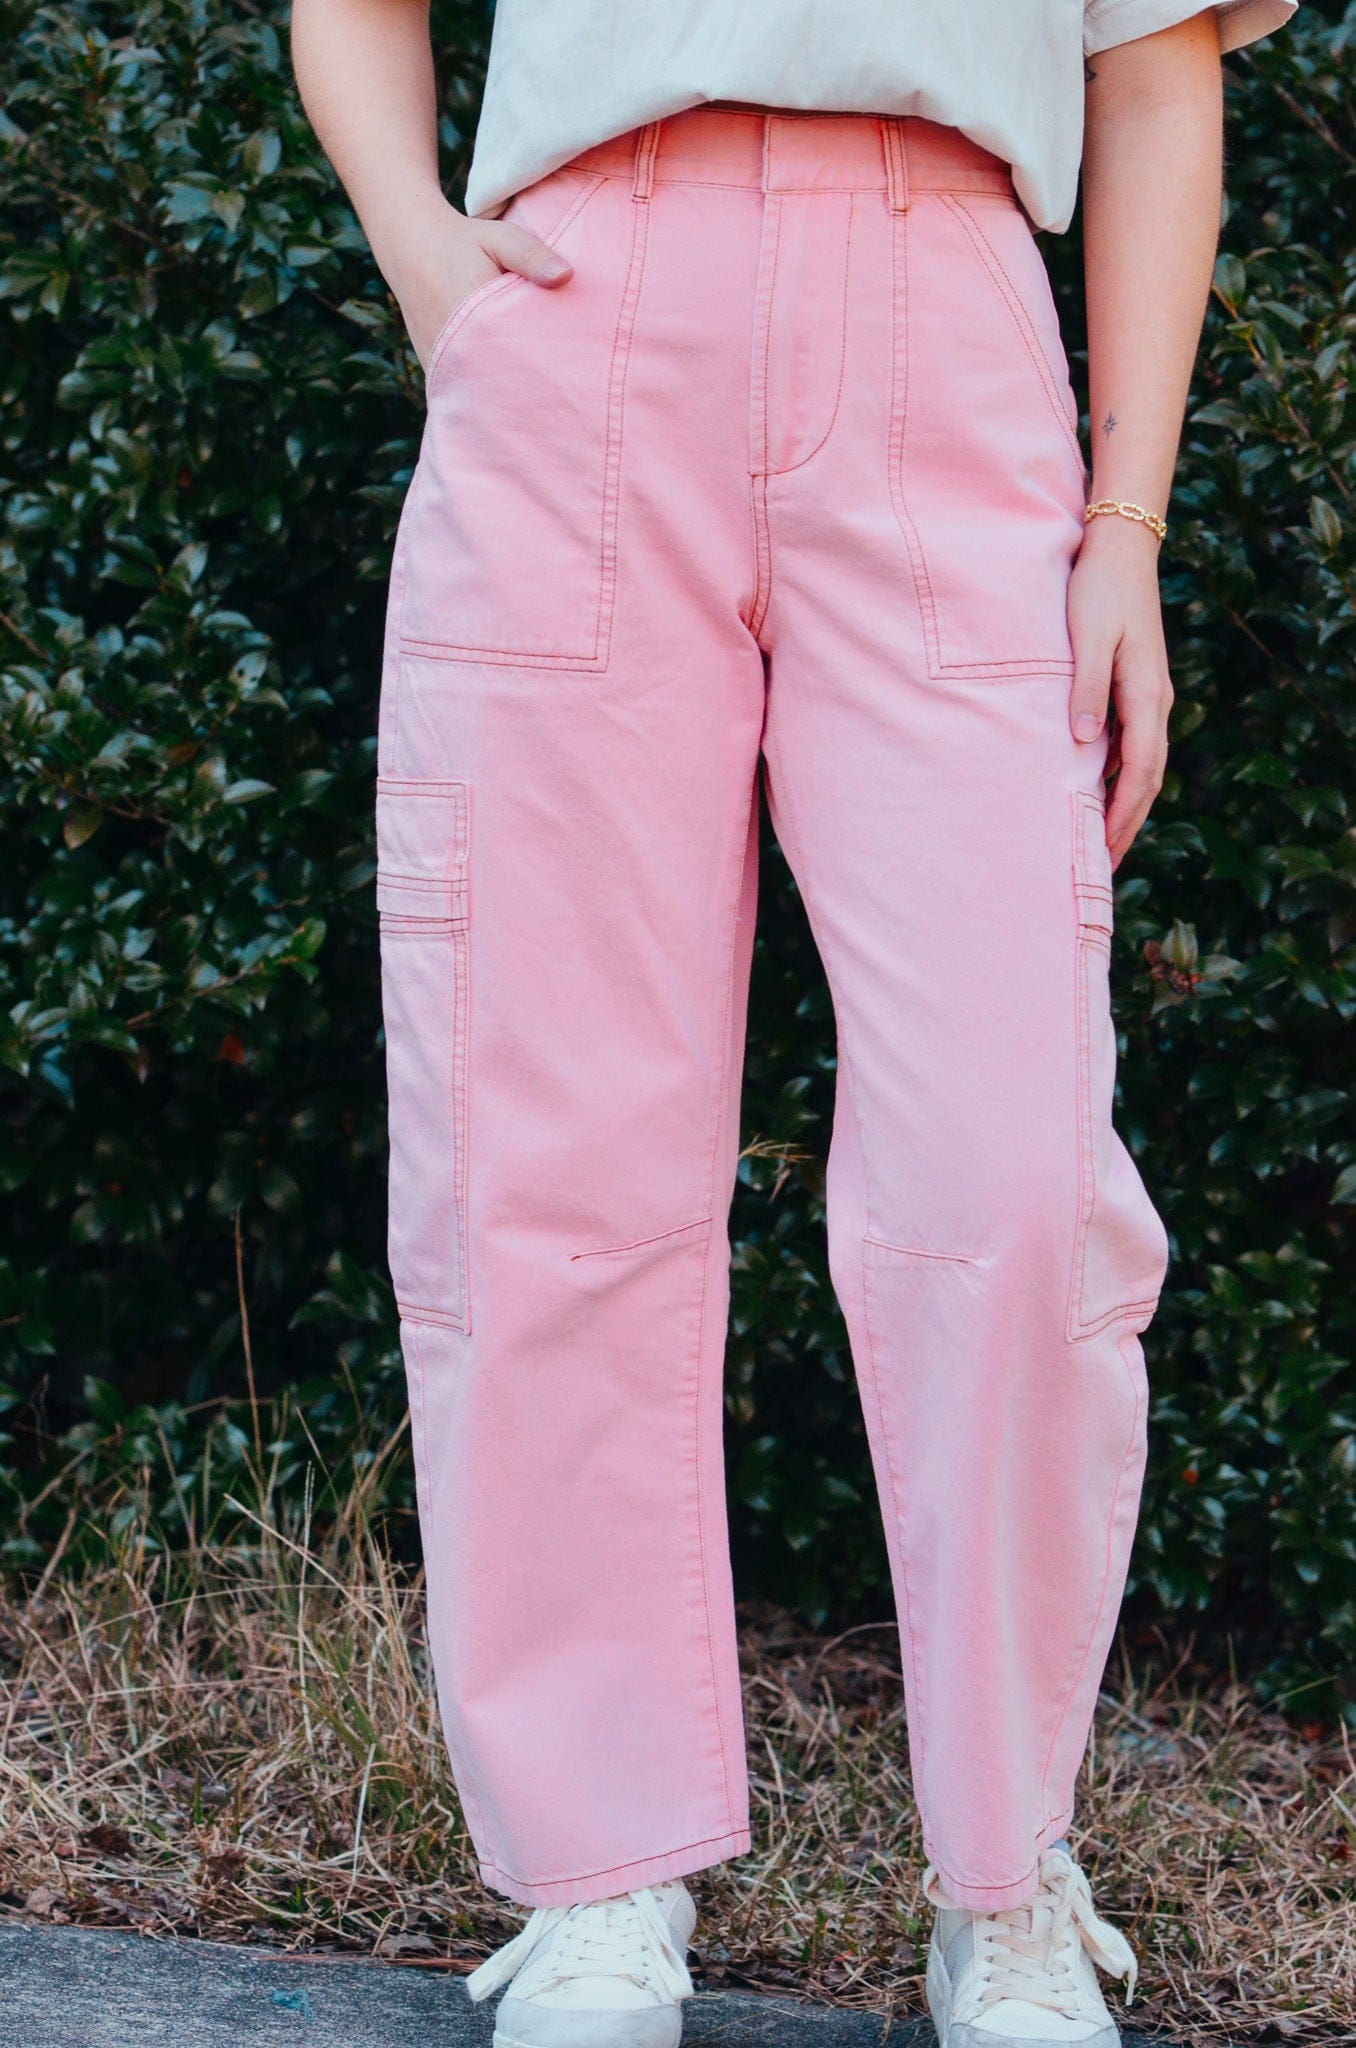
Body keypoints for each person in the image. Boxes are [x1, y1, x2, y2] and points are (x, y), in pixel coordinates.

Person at [291, 3, 1296, 2044]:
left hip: (949, 336)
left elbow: (1155, 64)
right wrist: (424, 258)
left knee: (1010, 1167)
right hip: (577, 322)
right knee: (542, 1141)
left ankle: (1007, 1874)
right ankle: (597, 1872)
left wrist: (1129, 529)